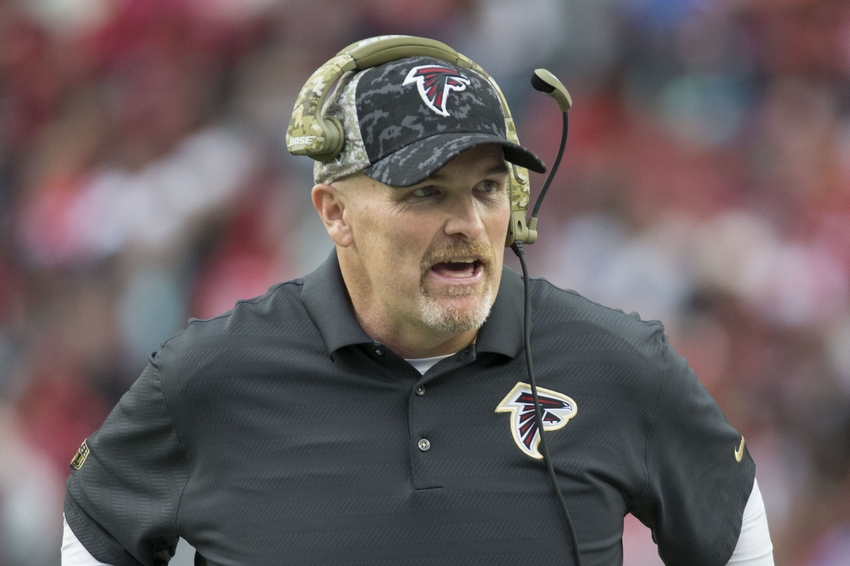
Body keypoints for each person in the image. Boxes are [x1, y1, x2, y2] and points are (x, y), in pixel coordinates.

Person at [62, 36, 774, 566]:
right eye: (425, 192)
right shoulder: (210, 372)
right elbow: (97, 528)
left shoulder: (616, 362)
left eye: (488, 188)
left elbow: (734, 523)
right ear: (334, 212)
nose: (467, 222)